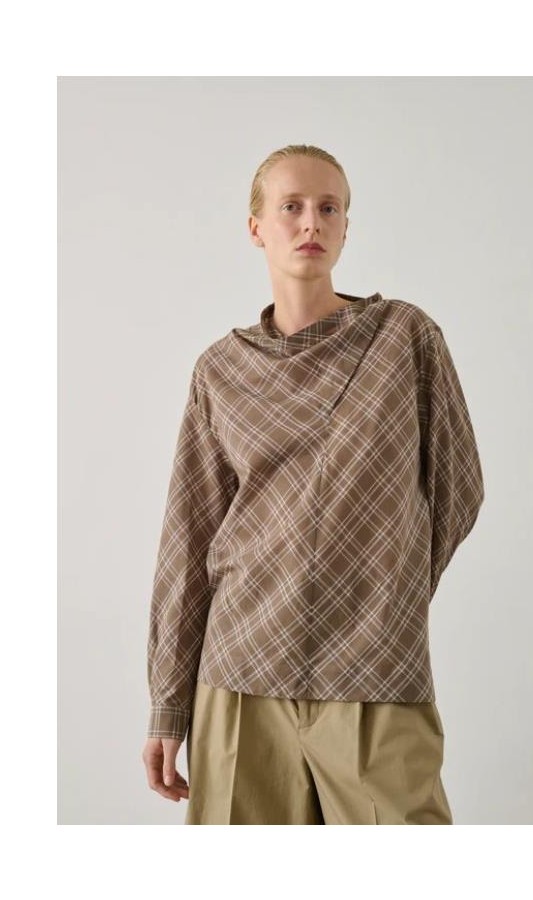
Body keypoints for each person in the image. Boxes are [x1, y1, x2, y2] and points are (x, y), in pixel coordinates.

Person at [141, 143, 485, 824]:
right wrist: (168, 705)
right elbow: (190, 538)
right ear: (256, 227)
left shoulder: (403, 338)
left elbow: (459, 486)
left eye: (329, 208)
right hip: (239, 672)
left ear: (346, 227)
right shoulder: (221, 370)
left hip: (374, 669)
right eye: (291, 207)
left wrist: (384, 590)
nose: (311, 223)